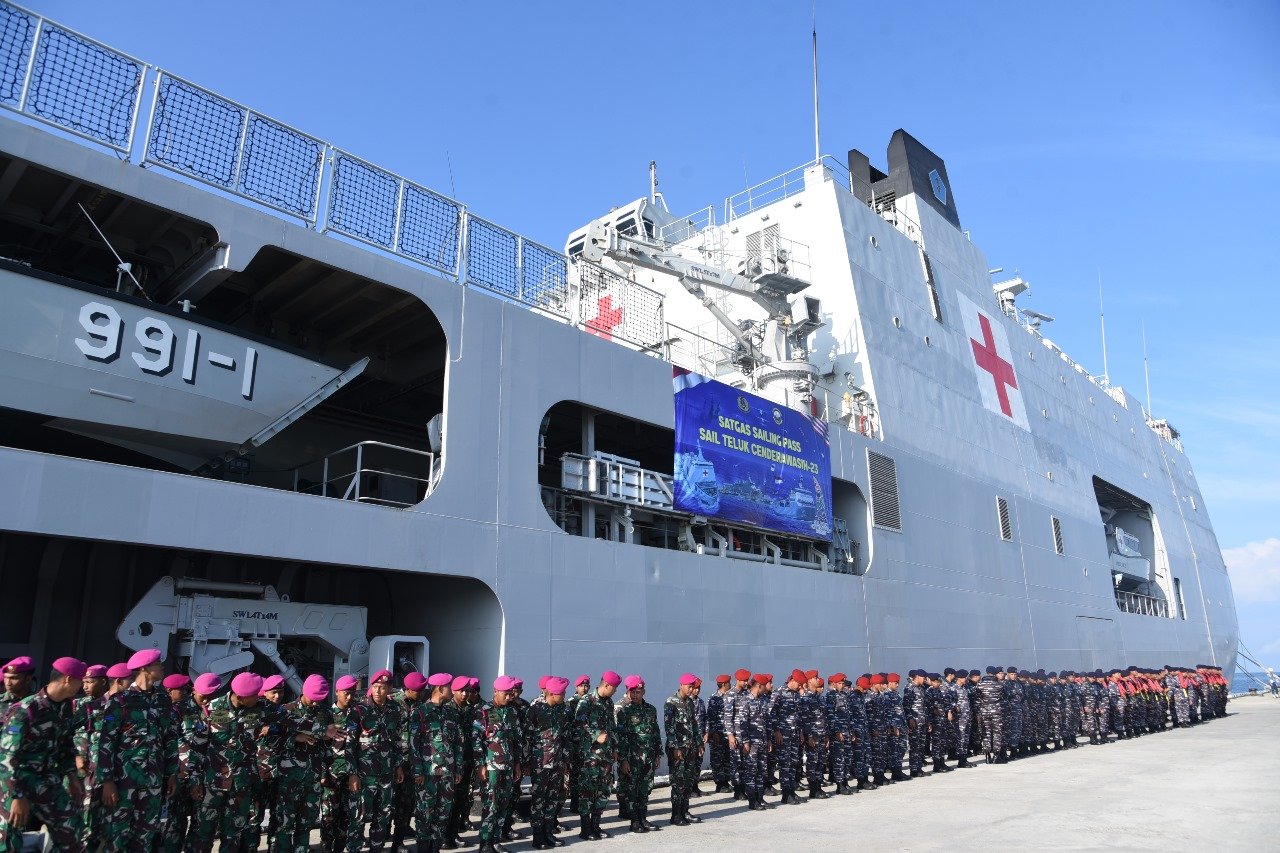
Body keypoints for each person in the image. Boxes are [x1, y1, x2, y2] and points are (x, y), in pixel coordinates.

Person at [0, 657, 87, 851]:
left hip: (46, 780)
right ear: (68, 679)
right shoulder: (25, 710)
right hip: (14, 782)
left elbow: (65, 744)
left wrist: (72, 776)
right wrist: (16, 796)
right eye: (80, 680)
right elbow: (6, 757)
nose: (82, 685)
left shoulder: (65, 708)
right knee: (7, 841)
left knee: (71, 830)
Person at [97, 648, 177, 851]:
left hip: (153, 781)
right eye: (158, 664)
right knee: (116, 835)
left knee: (145, 836)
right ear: (145, 668)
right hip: (124, 782)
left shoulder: (163, 700)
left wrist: (172, 774)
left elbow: (169, 739)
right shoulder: (120, 701)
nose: (162, 667)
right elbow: (107, 743)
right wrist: (107, 781)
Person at [190, 672, 266, 852]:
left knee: (233, 835)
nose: (258, 697)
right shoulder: (212, 709)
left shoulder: (260, 709)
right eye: (254, 695)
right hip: (212, 784)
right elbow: (198, 748)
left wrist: (322, 729)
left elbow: (290, 719)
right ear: (240, 697)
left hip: (240, 784)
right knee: (202, 833)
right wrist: (195, 781)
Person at [274, 673, 334, 853]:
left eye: (319, 700)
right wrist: (296, 739)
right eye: (313, 699)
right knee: (285, 823)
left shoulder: (325, 713)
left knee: (306, 823)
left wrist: (325, 772)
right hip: (289, 778)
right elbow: (272, 742)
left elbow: (326, 747)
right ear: (304, 692)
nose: (316, 704)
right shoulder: (286, 710)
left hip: (313, 776)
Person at [348, 669, 405, 851]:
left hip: (386, 774)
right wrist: (353, 773)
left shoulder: (394, 710)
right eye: (375, 687)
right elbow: (349, 745)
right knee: (358, 817)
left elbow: (397, 741)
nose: (378, 691)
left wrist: (398, 766)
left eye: (382, 687)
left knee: (382, 817)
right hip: (364, 776)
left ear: (389, 689)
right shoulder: (358, 710)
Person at [409, 672, 461, 853]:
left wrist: (458, 768)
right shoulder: (420, 712)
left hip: (447, 772)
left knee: (443, 813)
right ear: (440, 688)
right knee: (424, 814)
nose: (451, 690)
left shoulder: (451, 713)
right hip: (427, 773)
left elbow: (457, 743)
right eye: (449, 687)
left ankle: (435, 848)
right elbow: (413, 744)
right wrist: (417, 771)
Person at [474, 675, 520, 853]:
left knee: (503, 803)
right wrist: (481, 765)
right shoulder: (483, 711)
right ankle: (485, 842)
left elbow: (516, 740)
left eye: (511, 694)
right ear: (495, 692)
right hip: (491, 767)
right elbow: (476, 740)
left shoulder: (512, 712)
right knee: (490, 805)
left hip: (508, 766)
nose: (509, 697)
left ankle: (496, 839)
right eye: (506, 694)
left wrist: (517, 763)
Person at [160, 673, 205, 853]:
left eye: (188, 689)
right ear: (170, 691)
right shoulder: (174, 711)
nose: (187, 693)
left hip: (191, 771)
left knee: (192, 820)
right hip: (180, 772)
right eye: (183, 690)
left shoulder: (198, 709)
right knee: (177, 820)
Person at [573, 671, 619, 841]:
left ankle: (596, 826)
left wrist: (614, 747)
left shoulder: (609, 702)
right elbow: (577, 726)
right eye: (614, 688)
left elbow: (612, 727)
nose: (615, 691)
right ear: (606, 685)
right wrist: (595, 735)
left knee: (603, 790)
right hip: (590, 756)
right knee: (587, 791)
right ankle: (585, 829)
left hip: (606, 755)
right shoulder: (587, 701)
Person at [525, 676, 570, 850]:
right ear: (552, 693)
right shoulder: (535, 709)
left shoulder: (562, 710)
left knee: (553, 798)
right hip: (540, 762)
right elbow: (527, 737)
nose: (565, 695)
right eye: (562, 693)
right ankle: (537, 836)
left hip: (557, 762)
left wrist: (565, 760)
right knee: (539, 800)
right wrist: (527, 762)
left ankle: (548, 832)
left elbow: (564, 736)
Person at [321, 675, 361, 853]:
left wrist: (356, 772)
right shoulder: (326, 715)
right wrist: (323, 775)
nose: (349, 697)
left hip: (350, 774)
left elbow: (361, 746)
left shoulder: (358, 714)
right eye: (346, 693)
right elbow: (319, 749)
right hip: (330, 775)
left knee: (346, 817)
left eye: (352, 693)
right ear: (336, 692)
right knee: (329, 817)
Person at [616, 675, 660, 834]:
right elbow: (621, 737)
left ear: (644, 691)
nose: (635, 695)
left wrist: (657, 754)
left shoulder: (650, 709)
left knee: (645, 789)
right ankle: (634, 821)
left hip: (648, 756)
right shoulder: (624, 711)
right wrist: (623, 759)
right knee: (632, 790)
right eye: (632, 692)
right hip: (632, 758)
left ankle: (643, 818)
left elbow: (655, 732)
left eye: (638, 691)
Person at [390, 671, 428, 850]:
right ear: (408, 690)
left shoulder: (421, 705)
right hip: (393, 760)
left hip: (412, 760)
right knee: (388, 802)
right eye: (418, 691)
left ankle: (399, 840)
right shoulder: (393, 704)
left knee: (407, 801)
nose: (421, 693)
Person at [664, 674, 701, 825]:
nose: (691, 689)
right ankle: (676, 814)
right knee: (678, 782)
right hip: (678, 749)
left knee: (688, 781)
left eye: (693, 687)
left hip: (690, 748)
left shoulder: (690, 703)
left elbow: (694, 724)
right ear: (681, 685)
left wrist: (699, 743)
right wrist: (675, 747)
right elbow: (669, 727)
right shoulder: (671, 702)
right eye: (689, 686)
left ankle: (685, 810)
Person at [445, 675, 477, 849]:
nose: (465, 694)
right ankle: (443, 835)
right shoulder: (447, 709)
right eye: (462, 691)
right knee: (446, 802)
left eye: (468, 691)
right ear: (453, 691)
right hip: (449, 763)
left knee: (460, 799)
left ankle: (453, 832)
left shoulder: (471, 710)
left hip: (466, 761)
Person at [732, 674, 772, 811]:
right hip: (751, 743)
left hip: (762, 741)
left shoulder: (762, 701)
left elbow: (767, 723)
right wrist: (745, 742)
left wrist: (768, 740)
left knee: (762, 771)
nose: (766, 689)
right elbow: (741, 724)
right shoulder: (745, 701)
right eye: (764, 686)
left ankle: (760, 798)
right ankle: (752, 801)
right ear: (759, 686)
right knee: (751, 771)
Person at [705, 675, 732, 794]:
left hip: (728, 734)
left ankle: (726, 781)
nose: (731, 685)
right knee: (717, 759)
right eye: (729, 683)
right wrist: (714, 732)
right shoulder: (714, 698)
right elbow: (711, 717)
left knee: (727, 758)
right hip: (718, 734)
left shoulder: (730, 697)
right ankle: (719, 783)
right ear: (724, 684)